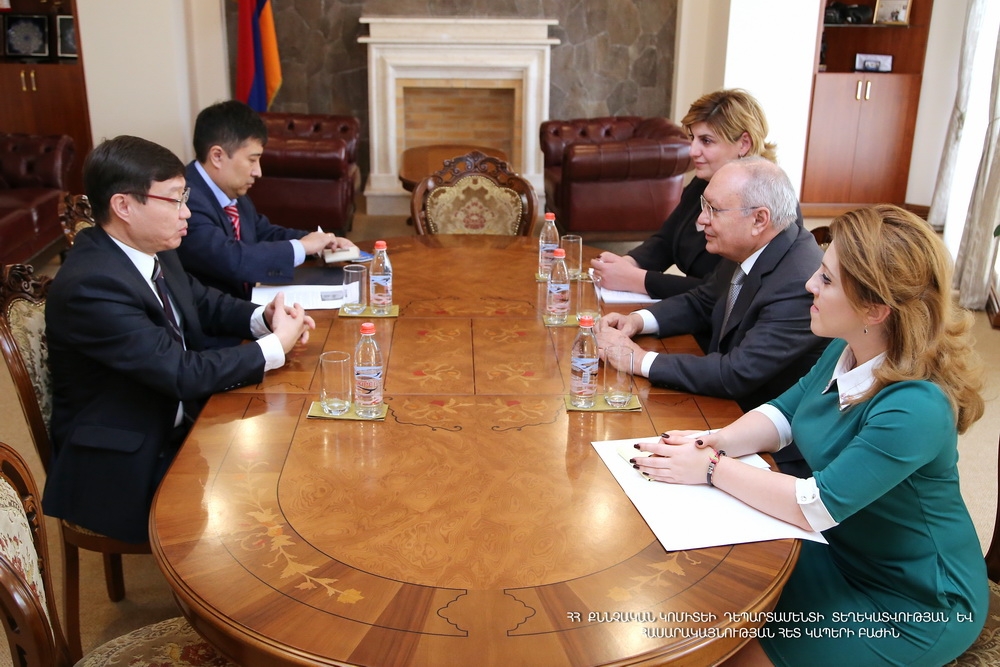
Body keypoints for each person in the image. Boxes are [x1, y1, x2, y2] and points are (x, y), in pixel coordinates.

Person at [634, 205, 988, 666]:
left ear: (875, 309)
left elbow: (815, 504)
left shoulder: (916, 406)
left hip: (914, 600)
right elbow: (784, 413)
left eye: (826, 279)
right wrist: (713, 441)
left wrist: (711, 468)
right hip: (838, 547)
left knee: (727, 654)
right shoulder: (848, 347)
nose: (808, 285)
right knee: (706, 598)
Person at [43, 135, 316, 544]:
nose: (187, 212)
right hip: (128, 459)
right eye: (174, 200)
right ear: (124, 206)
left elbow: (203, 302)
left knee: (294, 449)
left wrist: (263, 318)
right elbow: (181, 373)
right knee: (266, 507)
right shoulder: (92, 285)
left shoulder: (153, 247)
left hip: (177, 421)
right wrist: (275, 346)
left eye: (185, 197)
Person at [598, 157, 826, 475]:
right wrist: (637, 321)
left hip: (772, 449)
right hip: (723, 411)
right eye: (704, 206)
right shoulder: (751, 244)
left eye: (714, 210)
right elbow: (703, 301)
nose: (701, 220)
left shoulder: (798, 282)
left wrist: (638, 360)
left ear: (759, 219)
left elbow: (736, 373)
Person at [591, 89, 793, 299]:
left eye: (706, 141)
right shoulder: (702, 183)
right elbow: (666, 240)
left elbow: (723, 291)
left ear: (743, 144)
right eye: (692, 138)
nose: (692, 151)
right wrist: (627, 263)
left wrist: (637, 279)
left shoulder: (769, 204)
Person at [177, 99, 356, 300]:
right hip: (217, 314)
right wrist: (302, 247)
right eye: (252, 160)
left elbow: (263, 232)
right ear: (217, 156)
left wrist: (320, 241)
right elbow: (232, 258)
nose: (258, 172)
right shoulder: (185, 200)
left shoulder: (231, 190)